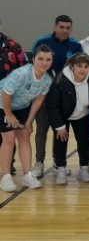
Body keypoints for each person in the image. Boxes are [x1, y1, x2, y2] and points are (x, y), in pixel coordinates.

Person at [31, 15, 83, 178]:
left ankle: (57, 163)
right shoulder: (42, 42)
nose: (64, 30)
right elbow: (33, 68)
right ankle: (39, 163)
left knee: (60, 130)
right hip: (43, 95)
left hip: (65, 97)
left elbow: (79, 69)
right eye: (61, 27)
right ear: (54, 27)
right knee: (41, 130)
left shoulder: (75, 45)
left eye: (68, 28)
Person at [46, 53, 89, 185]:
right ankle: (61, 168)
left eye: (86, 66)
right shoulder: (60, 81)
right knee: (61, 139)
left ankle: (84, 169)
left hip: (83, 114)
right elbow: (52, 106)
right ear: (72, 66)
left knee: (83, 142)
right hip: (63, 114)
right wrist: (59, 126)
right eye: (79, 66)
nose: (83, 69)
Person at [0, 45, 53, 192]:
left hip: (22, 107)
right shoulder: (21, 74)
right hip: (3, 105)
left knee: (24, 137)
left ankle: (28, 174)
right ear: (33, 60)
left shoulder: (47, 80)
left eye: (48, 59)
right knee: (9, 138)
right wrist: (9, 114)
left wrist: (29, 121)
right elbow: (6, 94)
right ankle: (5, 176)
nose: (44, 62)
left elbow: (37, 100)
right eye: (40, 59)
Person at [0, 17, 28, 175]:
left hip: (8, 98)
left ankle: (7, 165)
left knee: (8, 134)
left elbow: (24, 70)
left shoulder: (13, 47)